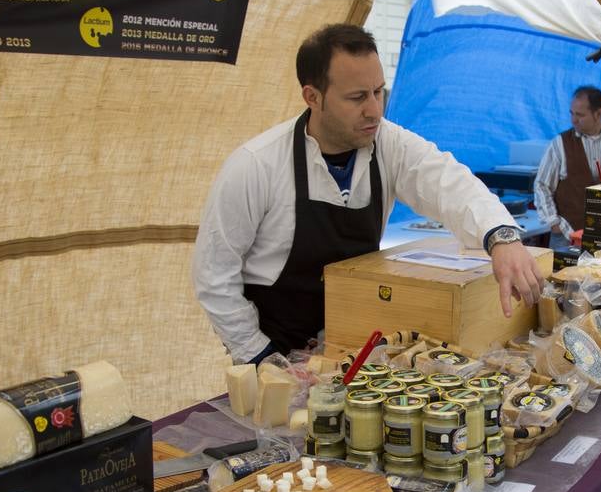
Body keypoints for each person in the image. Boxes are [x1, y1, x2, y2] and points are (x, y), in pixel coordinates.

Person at [193, 24, 544, 364]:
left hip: (357, 354)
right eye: (357, 97)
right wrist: (262, 358)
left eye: (378, 92)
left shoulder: (387, 143)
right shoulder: (256, 166)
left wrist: (502, 238)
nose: (374, 110)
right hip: (277, 352)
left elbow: (449, 182)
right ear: (312, 97)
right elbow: (214, 275)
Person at [533, 86, 601, 247]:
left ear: (598, 114)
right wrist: (554, 223)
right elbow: (542, 185)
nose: (574, 120)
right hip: (567, 237)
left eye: (580, 115)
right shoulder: (560, 144)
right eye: (571, 113)